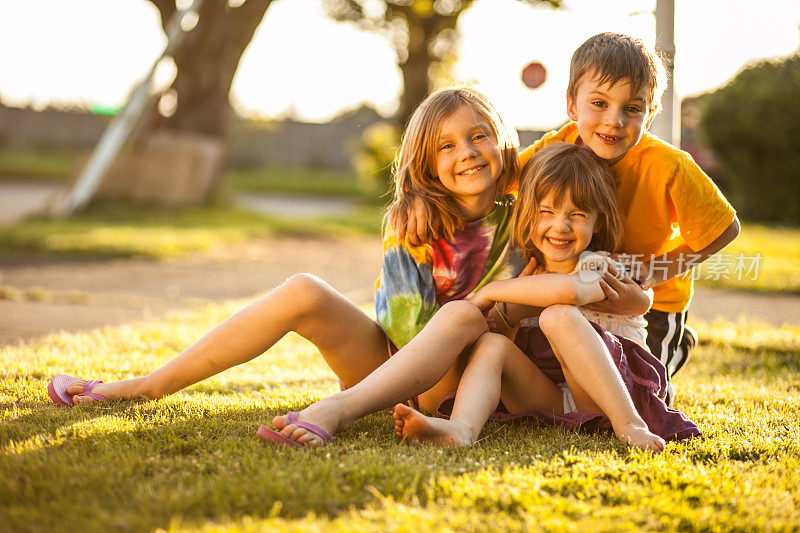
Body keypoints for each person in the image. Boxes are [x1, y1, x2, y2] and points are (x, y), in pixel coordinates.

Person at [45, 87, 525, 436]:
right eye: (447, 145)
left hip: (479, 378)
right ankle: (151, 384)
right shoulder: (414, 222)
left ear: (501, 139)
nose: (467, 153)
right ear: (424, 161)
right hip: (403, 373)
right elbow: (404, 331)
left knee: (464, 314)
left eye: (478, 136)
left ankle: (340, 409)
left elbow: (574, 147)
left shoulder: (531, 206)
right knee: (304, 289)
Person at [400, 33, 740, 404]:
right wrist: (419, 194)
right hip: (573, 296)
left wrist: (658, 270)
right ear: (571, 104)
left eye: (632, 108)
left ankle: (670, 353)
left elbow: (724, 230)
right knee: (559, 376)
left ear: (651, 113)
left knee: (646, 395)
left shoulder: (669, 166)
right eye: (599, 103)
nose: (614, 121)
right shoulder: (555, 150)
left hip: (649, 306)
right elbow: (490, 180)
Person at [392, 142, 701, 449]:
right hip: (559, 400)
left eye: (578, 214)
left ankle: (630, 425)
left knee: (558, 314)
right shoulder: (528, 274)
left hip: (616, 392)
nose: (560, 226)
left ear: (599, 221)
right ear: (529, 213)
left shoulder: (601, 265)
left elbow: (567, 291)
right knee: (493, 345)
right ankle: (460, 429)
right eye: (547, 212)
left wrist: (489, 292)